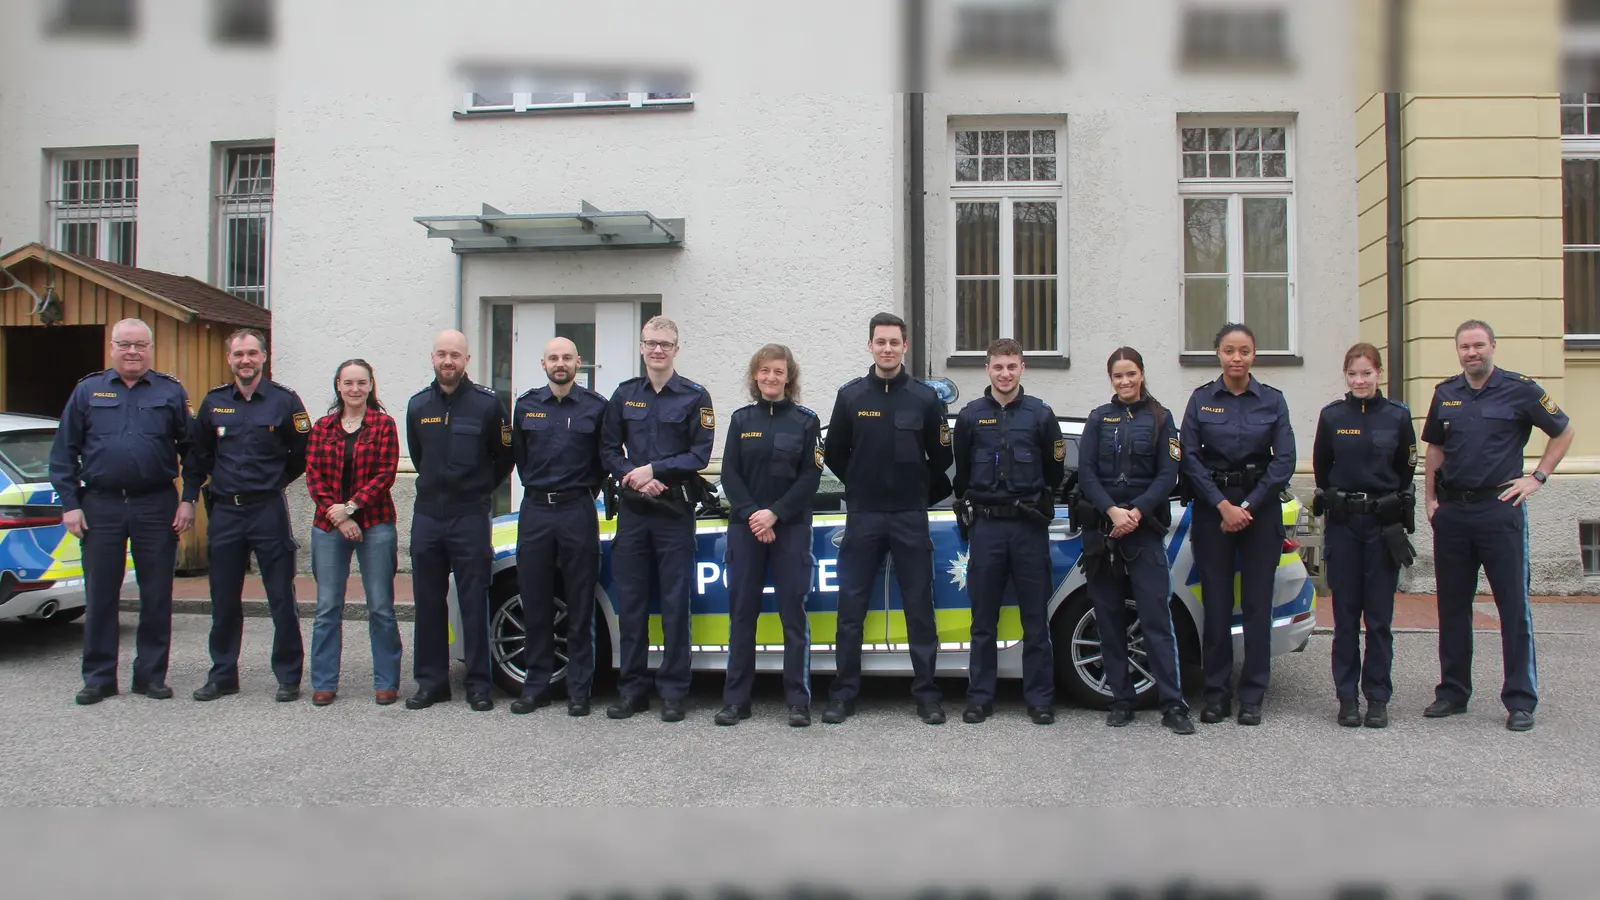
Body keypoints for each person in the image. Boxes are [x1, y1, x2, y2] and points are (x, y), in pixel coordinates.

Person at [1422, 320, 1574, 733]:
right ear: (1457, 351)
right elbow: (1435, 448)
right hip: (1454, 513)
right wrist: (1430, 500)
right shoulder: (1445, 393)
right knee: (1452, 606)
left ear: (1493, 346)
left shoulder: (1520, 389)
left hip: (1499, 510)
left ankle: (1520, 700)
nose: (1471, 353)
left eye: (1478, 345)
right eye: (1464, 347)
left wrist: (1538, 477)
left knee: (1513, 607)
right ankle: (1453, 692)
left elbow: (1563, 430)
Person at [50, 318, 196, 705]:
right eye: (125, 344)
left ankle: (150, 676)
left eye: (140, 345)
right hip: (101, 504)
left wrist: (189, 498)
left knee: (157, 594)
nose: (133, 352)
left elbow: (193, 451)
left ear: (151, 349)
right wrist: (70, 505)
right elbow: (63, 453)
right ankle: (99, 678)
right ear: (112, 348)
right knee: (100, 595)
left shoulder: (170, 391)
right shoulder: (88, 390)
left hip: (156, 503)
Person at [822, 312, 953, 725]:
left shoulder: (924, 398)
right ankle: (843, 694)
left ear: (905, 346)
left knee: (919, 608)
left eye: (894, 342)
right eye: (880, 342)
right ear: (870, 346)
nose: (887, 348)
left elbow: (942, 456)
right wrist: (860, 486)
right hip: (863, 516)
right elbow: (834, 452)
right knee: (851, 608)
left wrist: (916, 492)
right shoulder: (851, 396)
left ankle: (927, 695)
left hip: (910, 516)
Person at [184, 328, 310, 702]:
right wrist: (188, 497)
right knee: (223, 598)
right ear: (229, 359)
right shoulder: (214, 402)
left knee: (281, 597)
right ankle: (223, 674)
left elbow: (303, 452)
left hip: (267, 509)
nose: (245, 360)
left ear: (264, 357)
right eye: (239, 354)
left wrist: (275, 482)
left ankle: (288, 676)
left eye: (252, 353)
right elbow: (199, 456)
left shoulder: (286, 401)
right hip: (225, 511)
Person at [1179, 323, 1295, 726]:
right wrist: (1222, 505)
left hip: (1259, 511)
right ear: (1218, 354)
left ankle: (1252, 696)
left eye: (1244, 351)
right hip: (1214, 512)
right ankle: (1216, 694)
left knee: (1258, 605)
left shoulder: (1273, 401)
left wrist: (1246, 506)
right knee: (1215, 606)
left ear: (1254, 354)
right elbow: (1189, 458)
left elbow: (1284, 460)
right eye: (1229, 350)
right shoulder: (1201, 400)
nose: (1236, 358)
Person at [600, 316, 715, 722]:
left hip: (673, 513)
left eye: (665, 344)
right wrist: (634, 476)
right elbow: (608, 449)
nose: (658, 350)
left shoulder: (696, 397)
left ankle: (673, 692)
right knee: (631, 605)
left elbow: (699, 454)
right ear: (642, 347)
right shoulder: (624, 394)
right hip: (634, 512)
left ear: (676, 349)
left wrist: (654, 470)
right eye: (651, 343)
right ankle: (632, 690)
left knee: (674, 605)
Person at [1075, 346, 1194, 734]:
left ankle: (1173, 704)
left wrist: (1137, 513)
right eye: (1117, 376)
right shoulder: (1098, 418)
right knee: (1108, 619)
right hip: (1104, 532)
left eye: (1130, 374)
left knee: (1157, 620)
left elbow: (1168, 475)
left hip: (1144, 532)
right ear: (1110, 379)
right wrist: (1113, 512)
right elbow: (1087, 474)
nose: (1124, 381)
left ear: (1141, 374)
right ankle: (1121, 700)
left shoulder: (1161, 417)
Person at [951, 337, 1064, 726]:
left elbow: (1054, 472)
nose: (1005, 374)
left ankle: (1040, 699)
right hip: (987, 528)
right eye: (998, 366)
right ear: (987, 369)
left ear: (1022, 368)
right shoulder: (970, 416)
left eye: (1011, 366)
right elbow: (962, 474)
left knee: (1035, 619)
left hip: (1028, 528)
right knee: (983, 620)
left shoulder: (1040, 415)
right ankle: (979, 698)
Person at [405, 329, 514, 712]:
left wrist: (479, 489)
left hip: (469, 516)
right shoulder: (418, 405)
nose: (447, 361)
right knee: (428, 602)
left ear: (467, 360)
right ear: (433, 358)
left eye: (455, 355)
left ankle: (479, 684)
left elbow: (504, 456)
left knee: (474, 601)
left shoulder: (487, 404)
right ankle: (431, 683)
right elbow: (418, 456)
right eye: (441, 354)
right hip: (428, 517)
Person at [716, 344, 823, 728]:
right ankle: (736, 701)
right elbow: (729, 474)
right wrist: (753, 515)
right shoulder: (741, 419)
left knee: (793, 616)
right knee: (742, 616)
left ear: (789, 377)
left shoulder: (807, 422)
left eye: (778, 371)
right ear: (755, 376)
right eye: (764, 371)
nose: (771, 377)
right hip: (746, 530)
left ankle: (798, 701)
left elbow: (810, 477)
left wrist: (775, 513)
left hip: (790, 528)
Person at [1311, 343, 1416, 729]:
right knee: (1345, 619)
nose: (1359, 381)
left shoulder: (1398, 416)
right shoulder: (1332, 417)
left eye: (1366, 373)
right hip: (1344, 526)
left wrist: (1388, 504)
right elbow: (1322, 467)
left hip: (1381, 527)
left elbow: (1406, 469)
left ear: (1379, 374)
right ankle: (1346, 698)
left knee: (1379, 619)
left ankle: (1377, 697)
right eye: (1353, 374)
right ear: (1346, 375)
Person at [510, 337, 608, 718]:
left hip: (577, 509)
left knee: (580, 602)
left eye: (567, 357)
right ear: (544, 364)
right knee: (535, 600)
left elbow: (602, 461)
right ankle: (536, 685)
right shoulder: (526, 405)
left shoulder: (596, 407)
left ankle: (579, 689)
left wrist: (580, 492)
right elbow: (520, 458)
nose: (560, 363)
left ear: (579, 362)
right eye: (553, 357)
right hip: (536, 509)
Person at [304, 359, 402, 707]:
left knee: (381, 606)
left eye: (362, 383)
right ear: (338, 386)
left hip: (375, 522)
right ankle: (324, 682)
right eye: (348, 383)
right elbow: (313, 474)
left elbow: (386, 473)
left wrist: (352, 507)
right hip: (329, 525)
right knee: (327, 607)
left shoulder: (384, 425)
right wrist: (339, 516)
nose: (355, 389)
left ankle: (386, 682)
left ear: (371, 385)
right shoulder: (323, 427)